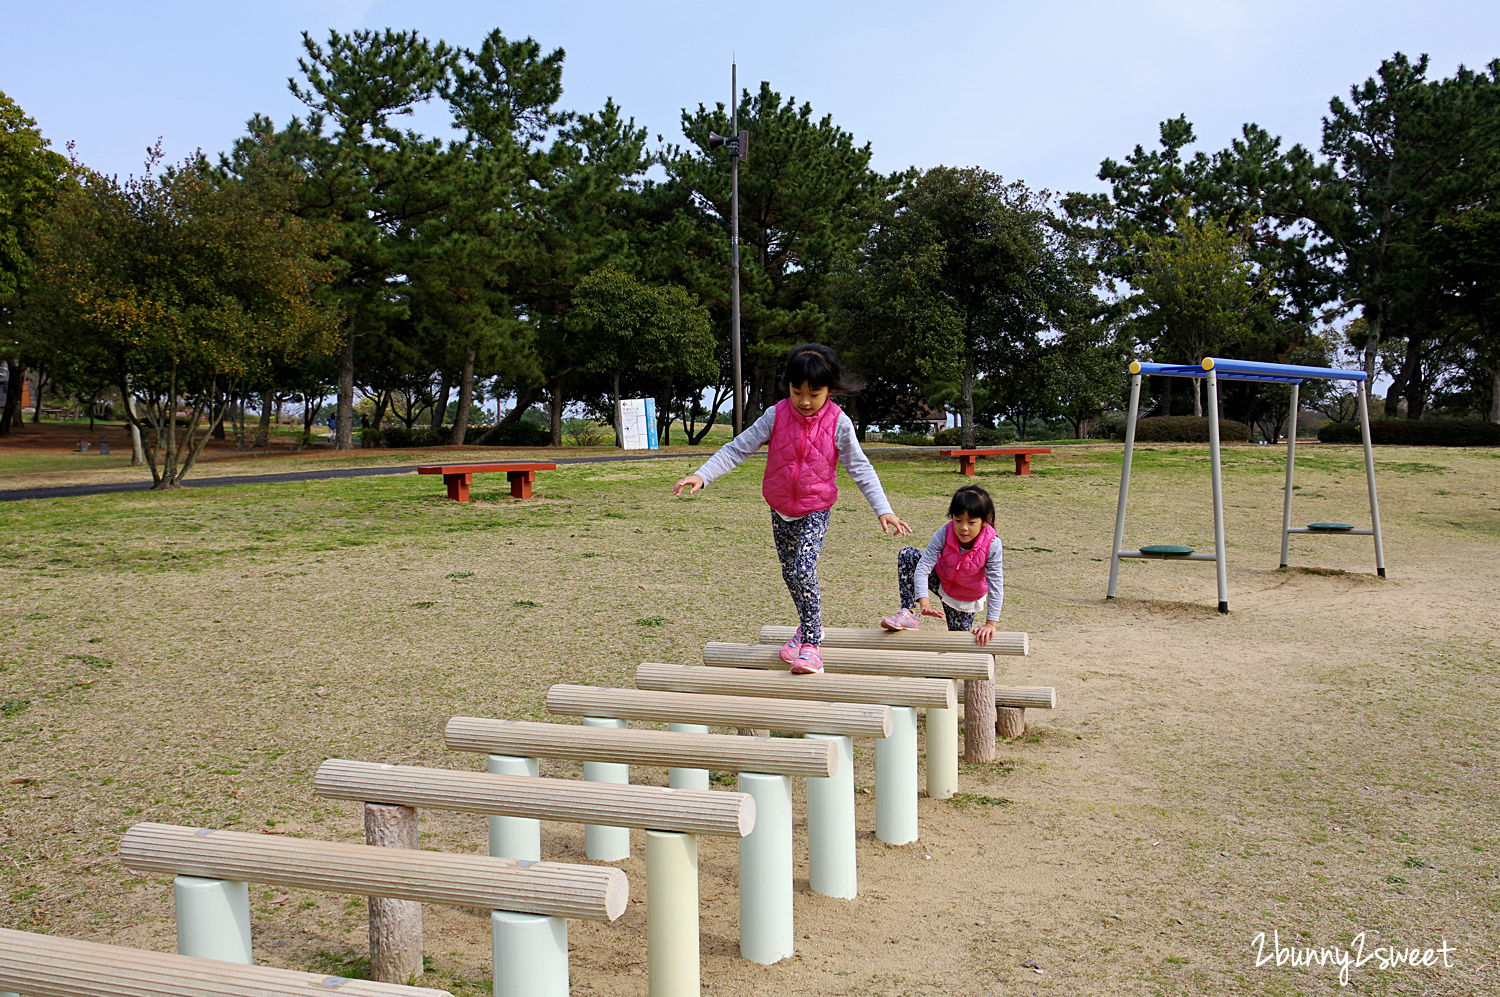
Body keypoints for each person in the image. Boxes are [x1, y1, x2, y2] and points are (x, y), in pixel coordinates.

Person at [673, 343, 912, 674]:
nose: (804, 401)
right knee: (790, 574)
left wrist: (883, 509)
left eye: (814, 393)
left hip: (815, 508)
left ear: (830, 389)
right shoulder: (776, 415)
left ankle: (813, 643)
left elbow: (860, 467)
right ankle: (807, 626)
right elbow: (736, 450)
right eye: (797, 391)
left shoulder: (839, 423)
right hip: (780, 508)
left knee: (803, 569)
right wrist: (702, 475)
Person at [880, 484, 1003, 645]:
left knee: (960, 645)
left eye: (971, 522)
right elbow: (923, 566)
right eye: (958, 520)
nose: (963, 528)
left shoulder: (992, 545)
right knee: (908, 555)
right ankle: (908, 614)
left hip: (964, 598)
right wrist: (924, 601)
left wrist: (990, 624)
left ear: (984, 521)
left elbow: (996, 585)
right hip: (941, 580)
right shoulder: (945, 532)